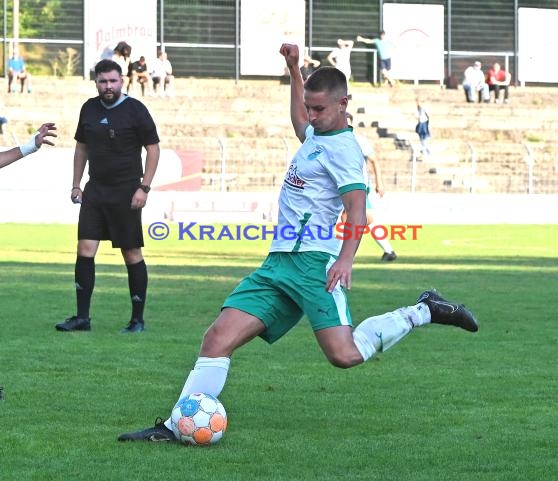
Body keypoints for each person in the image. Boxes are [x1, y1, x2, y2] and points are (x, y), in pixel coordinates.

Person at [117, 43, 478, 443]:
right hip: (278, 263)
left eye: (319, 109)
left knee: (344, 356)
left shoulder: (344, 149)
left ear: (344, 104)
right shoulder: (316, 134)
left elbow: (356, 208)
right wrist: (294, 71)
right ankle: (174, 426)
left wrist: (346, 259)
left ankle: (423, 310)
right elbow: (297, 121)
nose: (311, 115)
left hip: (315, 265)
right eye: (309, 107)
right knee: (217, 337)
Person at [55, 59, 160, 334]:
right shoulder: (88, 108)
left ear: (122, 80)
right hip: (95, 190)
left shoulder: (136, 110)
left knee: (131, 252)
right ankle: (82, 318)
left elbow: (153, 149)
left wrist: (144, 187)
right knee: (84, 250)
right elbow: (81, 149)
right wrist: (76, 184)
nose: (108, 86)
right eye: (103, 81)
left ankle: (137, 320)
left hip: (127, 191)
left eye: (113, 81)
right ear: (96, 82)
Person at [346, 112, 397, 261]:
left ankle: (345, 255)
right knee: (366, 220)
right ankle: (388, 251)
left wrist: (379, 183)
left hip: (358, 187)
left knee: (361, 219)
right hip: (345, 187)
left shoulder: (359, 140)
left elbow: (374, 160)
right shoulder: (337, 140)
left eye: (349, 123)